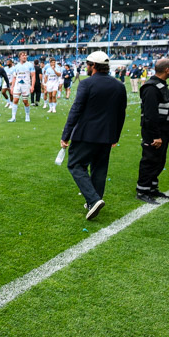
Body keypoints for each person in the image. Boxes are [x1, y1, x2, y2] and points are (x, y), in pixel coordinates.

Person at [60, 51, 126, 220]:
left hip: (85, 134)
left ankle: (93, 199)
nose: (86, 68)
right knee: (99, 169)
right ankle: (93, 201)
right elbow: (121, 114)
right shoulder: (119, 85)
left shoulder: (86, 84)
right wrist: (115, 137)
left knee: (75, 165)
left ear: (93, 66)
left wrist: (66, 135)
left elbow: (76, 109)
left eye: (88, 65)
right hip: (106, 136)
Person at [136, 58, 169, 204]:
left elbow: (164, 110)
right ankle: (142, 190)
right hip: (153, 132)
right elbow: (150, 115)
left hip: (162, 131)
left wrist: (167, 130)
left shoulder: (160, 85)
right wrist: (156, 135)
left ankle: (152, 188)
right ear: (167, 69)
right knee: (150, 160)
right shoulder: (151, 88)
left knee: (159, 161)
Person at [9, 51, 36, 122]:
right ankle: (13, 117)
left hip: (26, 85)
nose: (25, 56)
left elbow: (33, 76)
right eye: (23, 55)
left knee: (25, 101)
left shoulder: (30, 65)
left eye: (25, 55)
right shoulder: (16, 66)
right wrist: (12, 87)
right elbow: (14, 77)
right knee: (15, 100)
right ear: (19, 57)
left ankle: (27, 115)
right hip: (18, 85)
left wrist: (32, 86)